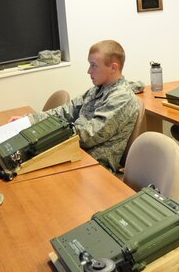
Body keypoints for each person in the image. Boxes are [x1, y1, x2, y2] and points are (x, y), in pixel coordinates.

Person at [20, 40, 141, 173]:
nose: (89, 71)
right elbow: (65, 111)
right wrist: (29, 121)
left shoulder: (122, 98)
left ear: (113, 68)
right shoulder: (96, 90)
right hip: (75, 153)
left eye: (94, 66)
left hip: (94, 167)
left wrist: (43, 132)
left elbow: (87, 136)